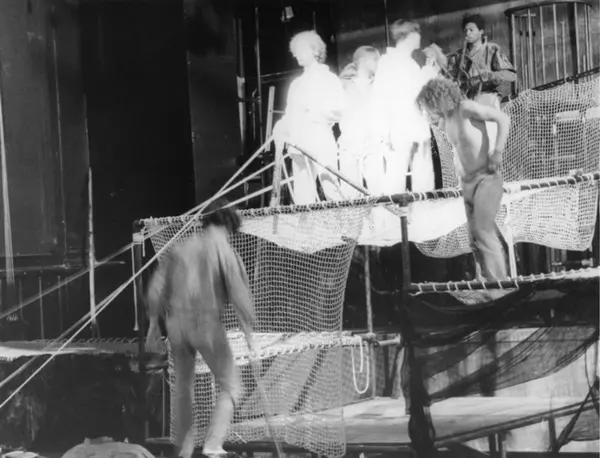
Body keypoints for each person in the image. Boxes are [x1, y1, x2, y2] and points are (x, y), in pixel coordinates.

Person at [145, 199, 255, 458]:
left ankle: (183, 452)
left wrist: (153, 324)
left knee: (183, 389)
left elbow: (156, 289)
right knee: (231, 385)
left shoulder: (181, 247)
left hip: (176, 325)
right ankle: (213, 444)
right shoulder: (223, 250)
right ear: (228, 225)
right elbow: (239, 294)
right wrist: (248, 331)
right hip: (205, 324)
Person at [416, 78, 510, 282]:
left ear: (440, 97)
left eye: (431, 105)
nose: (431, 111)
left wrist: (497, 152)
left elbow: (503, 119)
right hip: (467, 182)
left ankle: (499, 284)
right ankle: (484, 282)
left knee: (483, 231)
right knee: (474, 239)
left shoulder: (466, 108)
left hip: (486, 177)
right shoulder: (446, 121)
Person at [273, 30, 345, 204]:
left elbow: (339, 110)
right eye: (295, 51)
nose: (296, 55)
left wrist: (312, 111)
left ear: (315, 50)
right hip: (299, 143)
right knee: (302, 195)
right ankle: (306, 223)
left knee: (331, 187)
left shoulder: (329, 79)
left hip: (320, 140)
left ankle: (345, 222)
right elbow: (290, 114)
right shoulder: (296, 84)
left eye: (301, 50)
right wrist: (281, 126)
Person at [371, 20, 440, 195]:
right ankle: (393, 210)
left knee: (423, 175)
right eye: (417, 32)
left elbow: (417, 92)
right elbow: (380, 98)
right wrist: (384, 132)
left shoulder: (411, 63)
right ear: (407, 35)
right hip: (399, 127)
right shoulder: (388, 62)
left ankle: (424, 207)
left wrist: (428, 72)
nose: (420, 36)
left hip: (417, 124)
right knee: (396, 174)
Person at [338, 46, 385, 197]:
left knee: (378, 191)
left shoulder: (379, 85)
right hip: (349, 144)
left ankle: (380, 213)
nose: (378, 63)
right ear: (364, 61)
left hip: (373, 144)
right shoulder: (343, 85)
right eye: (375, 60)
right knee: (350, 193)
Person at [446, 14, 517, 105]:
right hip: (465, 100)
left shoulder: (492, 49)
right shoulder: (458, 55)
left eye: (471, 30)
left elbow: (511, 75)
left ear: (481, 31)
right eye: (465, 30)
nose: (467, 33)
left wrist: (489, 76)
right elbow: (450, 79)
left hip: (487, 99)